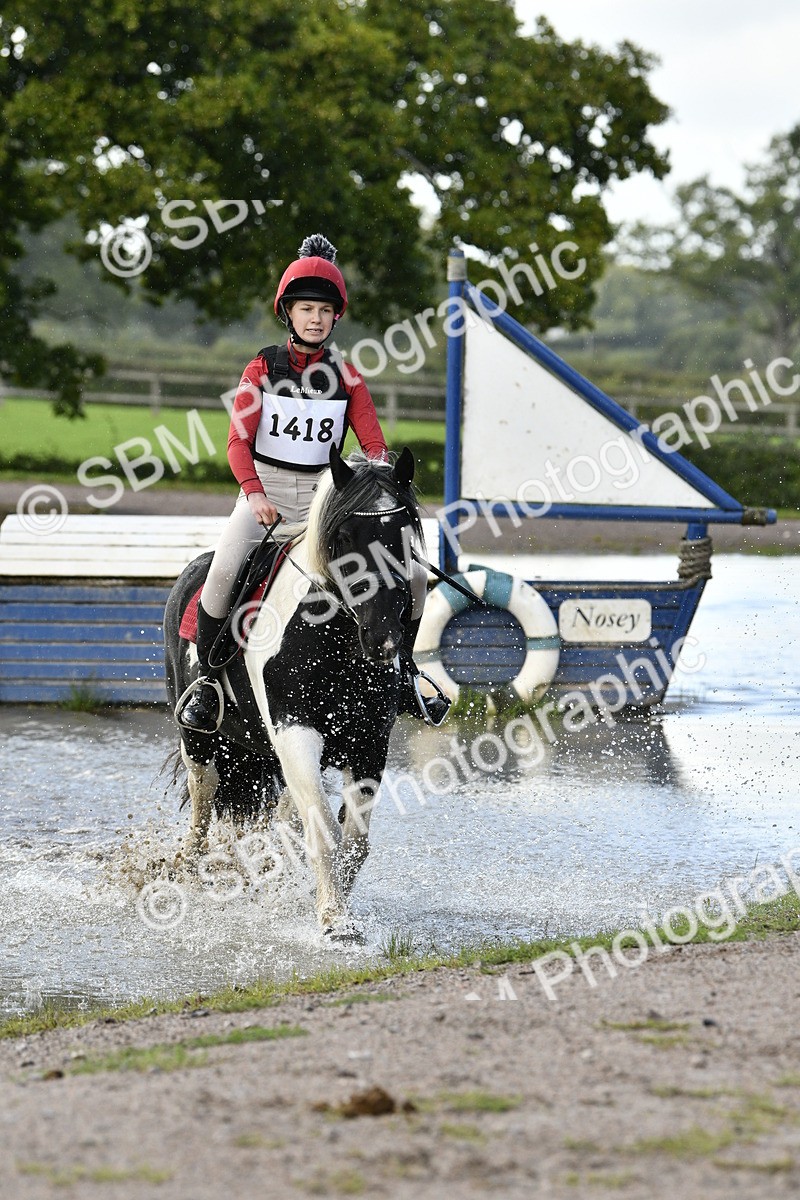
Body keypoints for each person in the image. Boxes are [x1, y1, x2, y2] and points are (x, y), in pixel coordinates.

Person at [177, 233, 449, 733]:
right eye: (306, 309)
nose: (316, 318)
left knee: (408, 574)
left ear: (336, 318)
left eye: (325, 311)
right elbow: (238, 444)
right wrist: (255, 494)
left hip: (327, 505)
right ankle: (208, 684)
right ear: (289, 313)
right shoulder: (262, 368)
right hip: (267, 497)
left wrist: (380, 489)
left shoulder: (348, 378)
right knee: (220, 577)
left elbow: (373, 449)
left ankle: (404, 672)